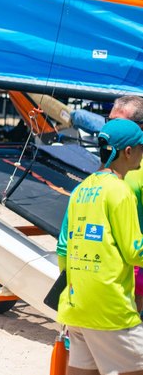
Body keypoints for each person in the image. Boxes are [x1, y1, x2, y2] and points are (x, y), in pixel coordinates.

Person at [56, 118, 143, 375]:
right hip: (110, 308)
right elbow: (134, 250)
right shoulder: (120, 190)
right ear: (128, 152)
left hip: (77, 303)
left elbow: (64, 247)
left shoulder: (81, 189)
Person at [109, 95, 143, 313]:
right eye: (109, 121)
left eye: (120, 124)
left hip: (134, 274)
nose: (110, 131)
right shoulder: (112, 162)